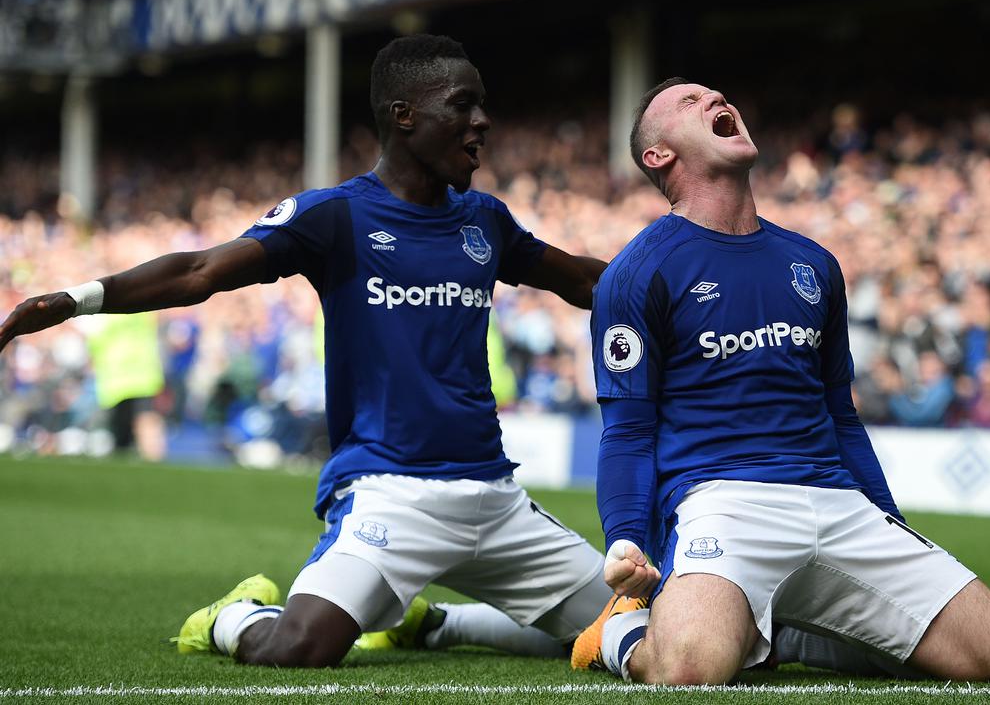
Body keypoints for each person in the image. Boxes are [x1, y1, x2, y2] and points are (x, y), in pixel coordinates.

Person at [0, 34, 614, 668]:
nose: (482, 121)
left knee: (636, 634)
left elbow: (587, 281)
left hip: (495, 497)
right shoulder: (335, 216)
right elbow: (199, 270)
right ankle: (233, 616)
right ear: (403, 115)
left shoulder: (486, 220)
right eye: (462, 105)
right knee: (297, 648)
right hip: (389, 493)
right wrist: (77, 299)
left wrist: (691, 287)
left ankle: (436, 624)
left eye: (482, 105)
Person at [571, 78, 990, 685]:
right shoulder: (638, 272)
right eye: (690, 102)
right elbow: (628, 431)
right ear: (659, 156)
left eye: (717, 95)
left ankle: (781, 636)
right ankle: (619, 634)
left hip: (837, 501)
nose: (716, 100)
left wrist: (889, 520)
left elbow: (842, 416)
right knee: (689, 671)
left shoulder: (813, 262)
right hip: (721, 502)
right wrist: (627, 539)